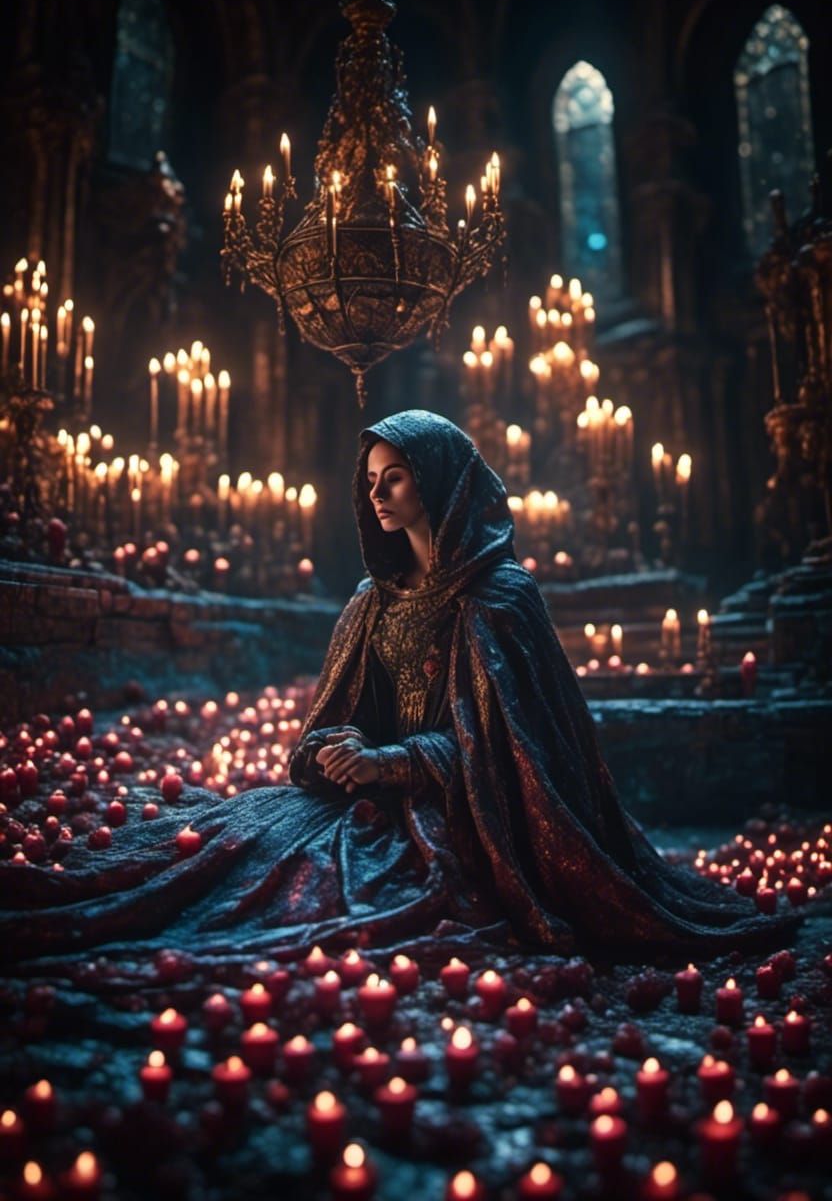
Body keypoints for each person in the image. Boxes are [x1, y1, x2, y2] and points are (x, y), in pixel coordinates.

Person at [0, 410, 800, 962]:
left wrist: (396, 764)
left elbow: (520, 761)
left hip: (465, 821)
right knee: (237, 853)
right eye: (371, 481)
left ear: (440, 482)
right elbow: (321, 734)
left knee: (326, 906)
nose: (376, 494)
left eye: (394, 478)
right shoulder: (370, 601)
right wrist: (340, 750)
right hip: (370, 804)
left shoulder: (502, 599)